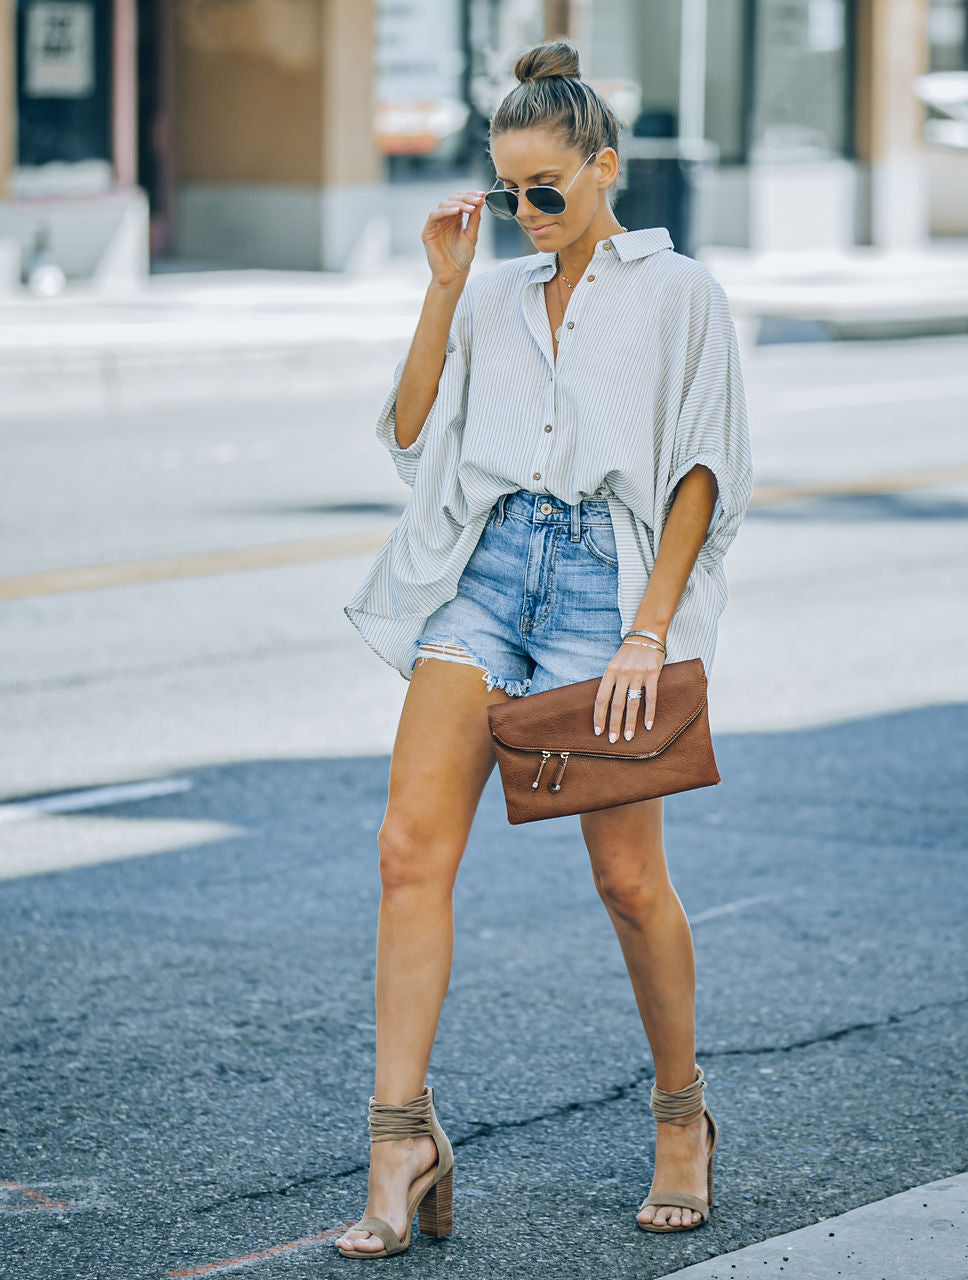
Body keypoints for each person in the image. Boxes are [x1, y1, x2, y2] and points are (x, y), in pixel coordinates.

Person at [337, 39, 753, 1259]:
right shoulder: (498, 295)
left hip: (601, 588)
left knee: (627, 883)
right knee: (407, 849)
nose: (525, 214)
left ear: (603, 169)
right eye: (507, 190)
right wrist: (442, 284)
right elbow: (415, 436)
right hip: (484, 578)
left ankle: (683, 1113)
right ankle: (400, 1137)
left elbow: (700, 472)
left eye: (545, 191)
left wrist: (646, 633)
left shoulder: (679, 294)